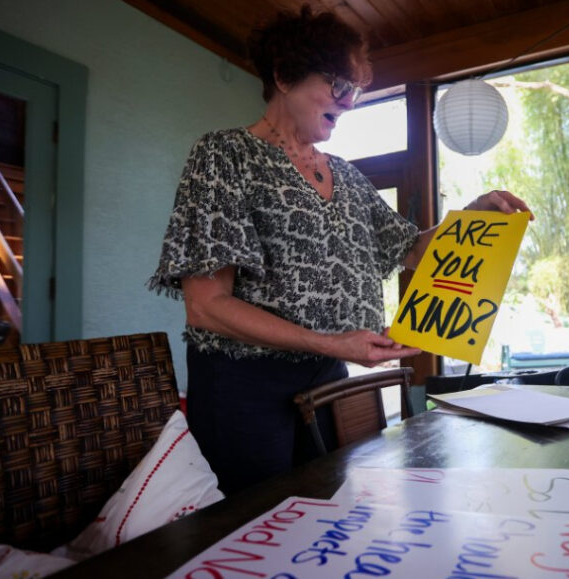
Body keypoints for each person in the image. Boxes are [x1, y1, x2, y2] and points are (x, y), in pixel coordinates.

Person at [148, 5, 531, 495]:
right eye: (338, 86)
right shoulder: (224, 156)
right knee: (251, 527)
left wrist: (473, 215)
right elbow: (206, 308)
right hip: (243, 385)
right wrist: (330, 342)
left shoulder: (347, 176)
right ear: (284, 76)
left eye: (356, 91)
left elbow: (411, 249)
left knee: (330, 509)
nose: (349, 103)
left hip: (329, 378)